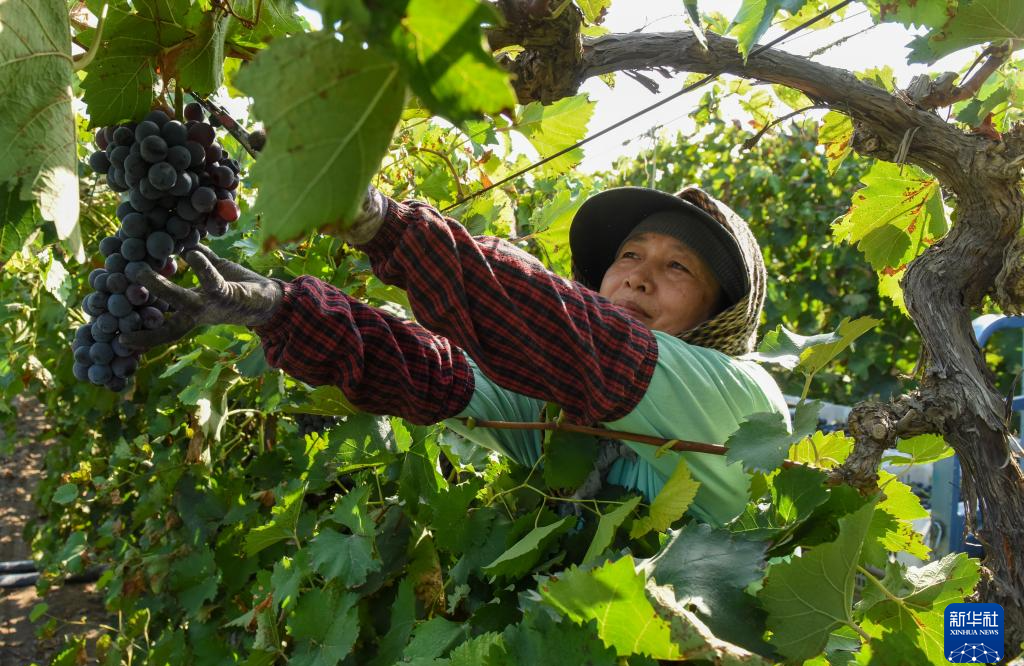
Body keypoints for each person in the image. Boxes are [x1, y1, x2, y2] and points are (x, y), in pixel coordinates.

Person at [122, 185, 790, 526]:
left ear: (723, 311)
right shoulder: (562, 414)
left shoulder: (744, 403)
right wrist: (277, 309)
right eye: (630, 255)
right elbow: (433, 373)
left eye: (678, 267)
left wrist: (385, 224)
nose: (638, 277)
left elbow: (595, 346)